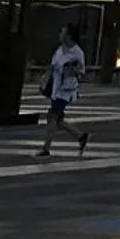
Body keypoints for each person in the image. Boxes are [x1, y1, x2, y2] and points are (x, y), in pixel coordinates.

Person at [36, 25, 88, 158]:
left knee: (52, 115)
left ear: (69, 36)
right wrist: (44, 82)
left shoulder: (77, 52)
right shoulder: (59, 50)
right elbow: (52, 67)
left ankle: (46, 148)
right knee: (58, 120)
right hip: (56, 87)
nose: (60, 35)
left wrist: (72, 69)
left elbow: (81, 71)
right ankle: (80, 136)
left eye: (63, 32)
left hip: (66, 89)